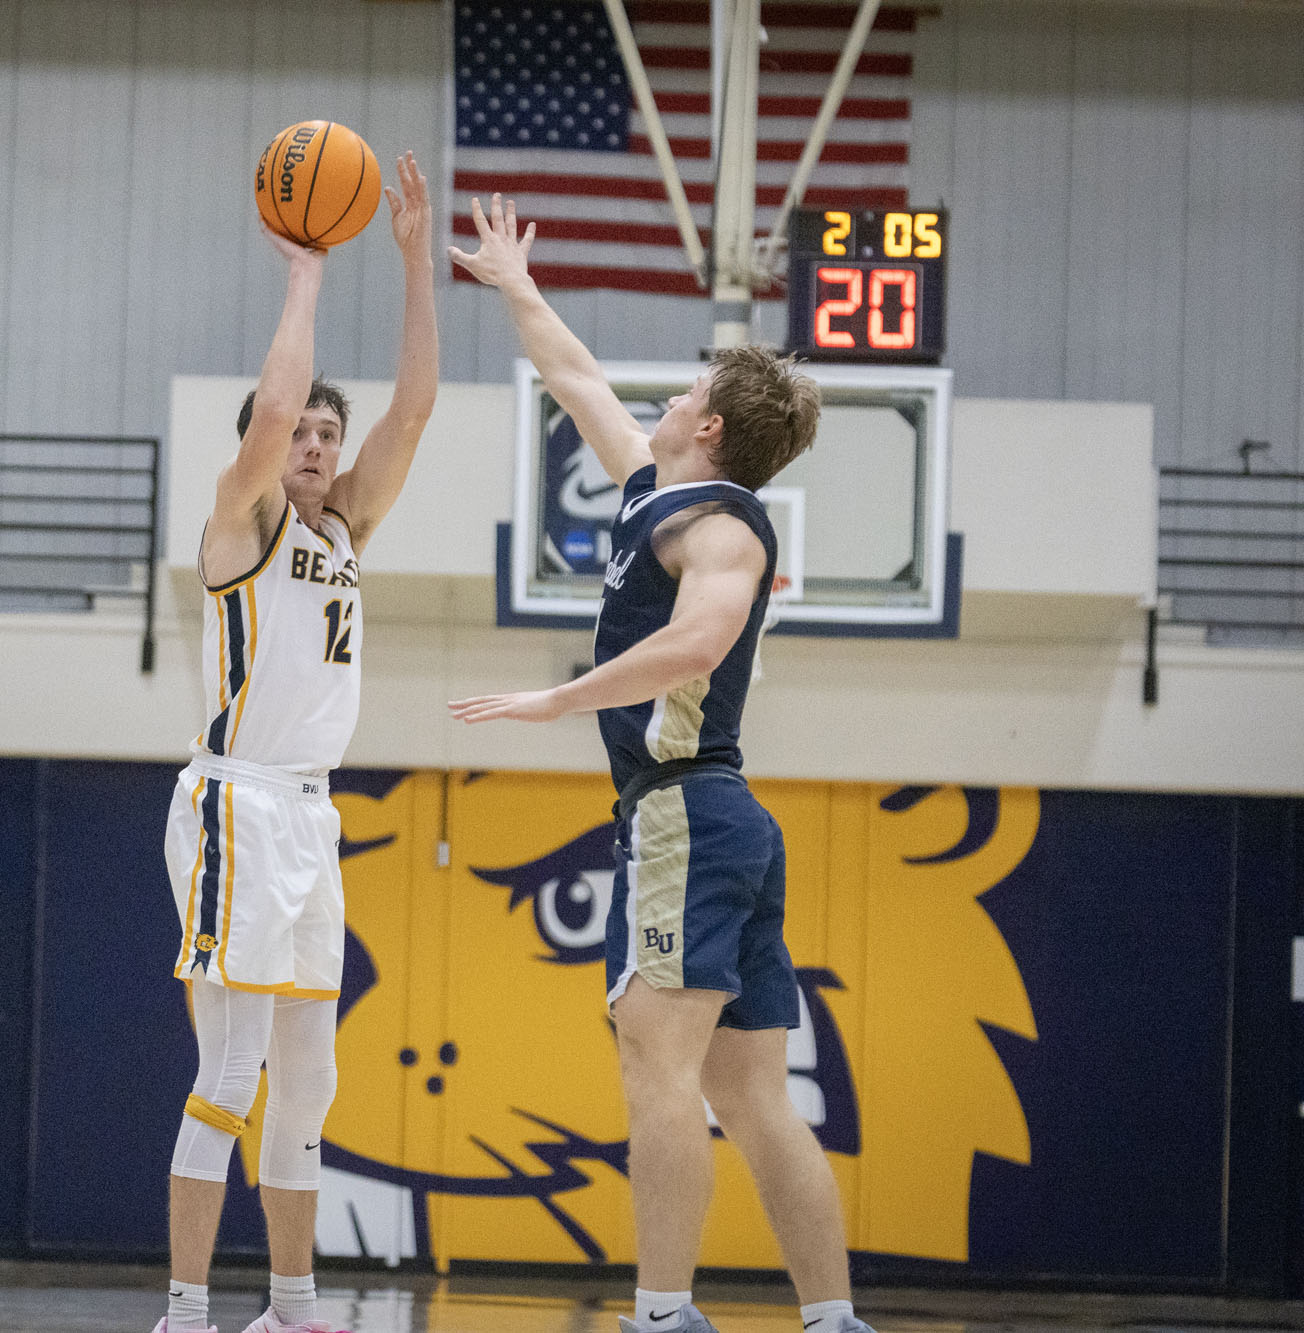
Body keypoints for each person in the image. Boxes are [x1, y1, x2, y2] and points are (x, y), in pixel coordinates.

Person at [446, 195, 875, 1333]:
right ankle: (831, 1319)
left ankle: (660, 1313)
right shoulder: (658, 487)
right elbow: (577, 377)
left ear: (716, 430)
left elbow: (696, 640)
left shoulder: (721, 525)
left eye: (688, 392)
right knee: (747, 1090)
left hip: (682, 812)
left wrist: (559, 697)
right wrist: (514, 285)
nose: (669, 397)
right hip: (721, 816)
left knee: (658, 1069)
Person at [155, 153, 437, 1333]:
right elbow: (269, 412)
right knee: (228, 1075)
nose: (317, 442)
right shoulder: (238, 527)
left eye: (330, 430)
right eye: (303, 433)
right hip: (233, 805)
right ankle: (182, 1309)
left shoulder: (346, 533)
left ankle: (290, 1305)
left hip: (310, 816)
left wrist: (416, 261)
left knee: (308, 1083)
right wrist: (307, 279)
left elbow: (413, 409)